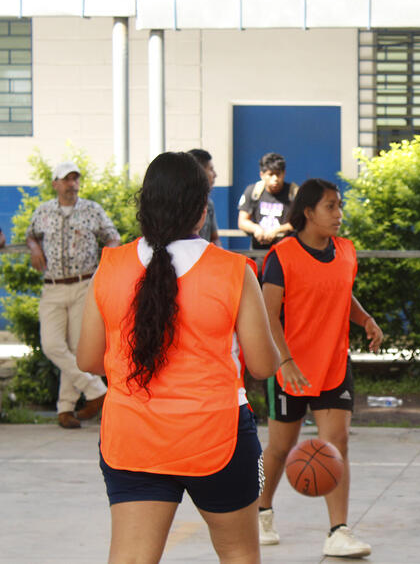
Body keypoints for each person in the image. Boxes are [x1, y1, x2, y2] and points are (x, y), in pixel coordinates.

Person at [75, 152, 280, 563]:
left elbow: (88, 359)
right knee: (239, 553)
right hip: (216, 437)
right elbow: (261, 364)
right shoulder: (231, 269)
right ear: (202, 208)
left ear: (144, 203)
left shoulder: (110, 266)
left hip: (132, 439)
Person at [257, 178, 384, 558]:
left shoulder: (345, 251)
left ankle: (338, 530)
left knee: (337, 443)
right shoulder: (282, 255)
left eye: (339, 206)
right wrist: (285, 361)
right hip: (291, 368)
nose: (339, 214)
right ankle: (260, 509)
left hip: (332, 365)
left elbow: (341, 292)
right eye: (331, 207)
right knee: (279, 448)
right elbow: (268, 314)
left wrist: (365, 320)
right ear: (308, 212)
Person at [26, 161, 119, 429]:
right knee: (52, 345)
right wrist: (34, 247)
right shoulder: (43, 211)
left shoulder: (92, 209)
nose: (72, 183)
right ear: (55, 183)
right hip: (52, 285)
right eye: (66, 179)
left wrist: (105, 264)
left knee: (78, 347)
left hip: (83, 285)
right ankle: (97, 391)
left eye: (75, 178)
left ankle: (65, 409)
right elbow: (30, 234)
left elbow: (112, 237)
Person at [238, 152, 298, 250]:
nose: (275, 179)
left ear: (284, 173)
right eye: (270, 174)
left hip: (286, 253)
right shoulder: (253, 191)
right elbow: (242, 221)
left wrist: (277, 231)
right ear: (262, 175)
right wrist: (256, 229)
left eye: (278, 174)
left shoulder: (294, 193)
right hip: (258, 254)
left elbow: (299, 222)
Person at [188, 148, 221, 246]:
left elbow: (214, 238)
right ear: (200, 172)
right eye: (211, 169)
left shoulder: (209, 204)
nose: (215, 175)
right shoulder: (179, 204)